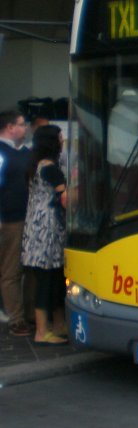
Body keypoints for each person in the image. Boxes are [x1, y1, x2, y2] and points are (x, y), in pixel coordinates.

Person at [20, 125, 67, 345]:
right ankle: (42, 330)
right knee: (48, 280)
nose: (63, 140)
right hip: (48, 232)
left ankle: (57, 324)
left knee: (52, 278)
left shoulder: (35, 164)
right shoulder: (50, 168)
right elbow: (66, 197)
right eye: (60, 137)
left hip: (35, 230)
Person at [0, 110, 31, 336]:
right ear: (10, 127)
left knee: (21, 269)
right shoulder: (2, 154)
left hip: (25, 218)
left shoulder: (24, 152)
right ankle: (16, 319)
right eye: (21, 124)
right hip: (9, 220)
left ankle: (23, 314)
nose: (26, 128)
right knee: (11, 271)